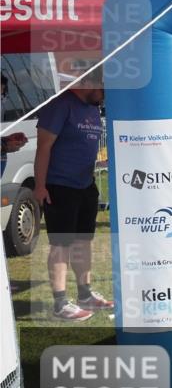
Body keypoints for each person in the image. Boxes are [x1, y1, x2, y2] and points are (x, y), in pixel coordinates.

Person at [33, 69, 114, 321]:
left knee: (83, 243)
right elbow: (43, 147)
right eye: (102, 92)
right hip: (59, 186)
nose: (103, 99)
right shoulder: (60, 105)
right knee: (61, 244)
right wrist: (40, 185)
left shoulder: (91, 108)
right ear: (90, 83)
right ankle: (59, 303)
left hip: (85, 186)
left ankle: (85, 294)